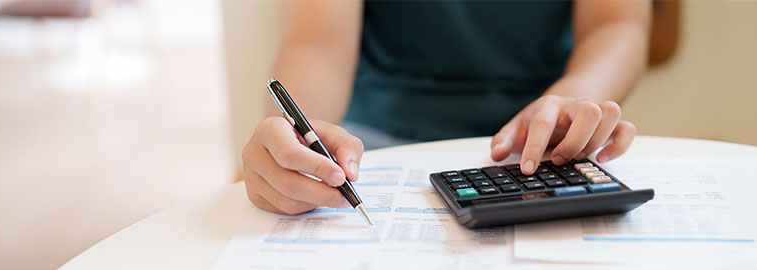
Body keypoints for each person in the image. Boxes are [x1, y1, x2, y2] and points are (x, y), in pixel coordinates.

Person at [242, 0, 650, 215]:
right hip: (370, 143)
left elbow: (617, 23)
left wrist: (574, 97)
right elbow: (317, 44)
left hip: (542, 139)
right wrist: (298, 136)